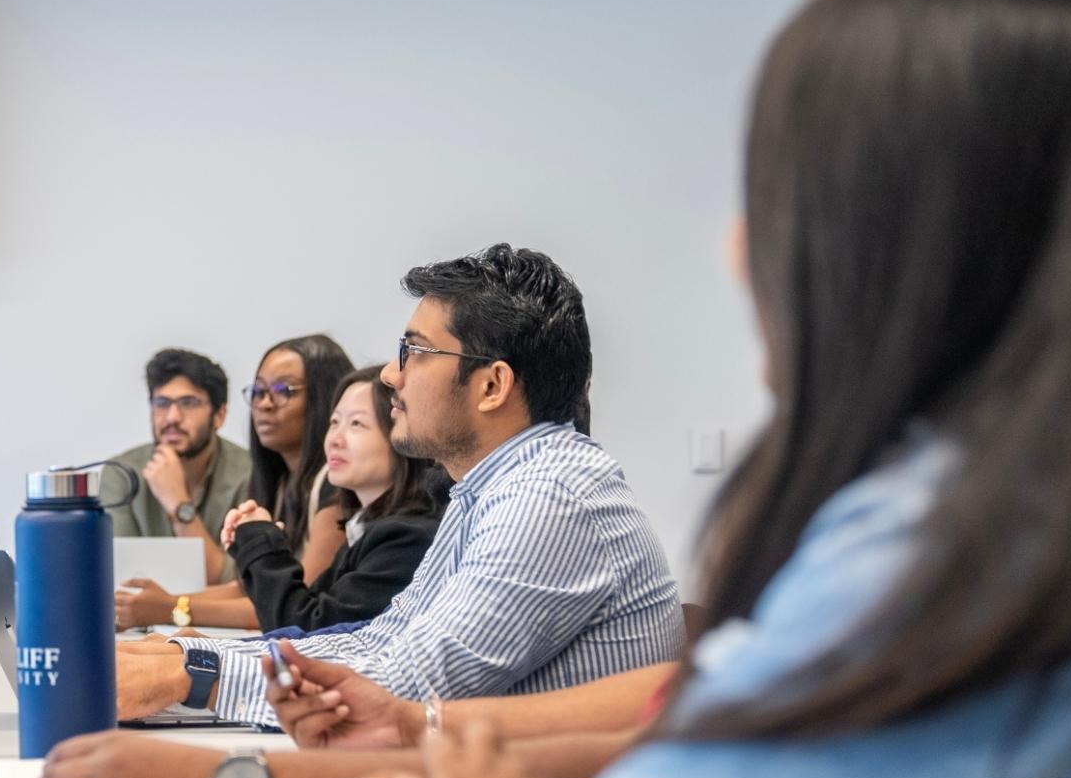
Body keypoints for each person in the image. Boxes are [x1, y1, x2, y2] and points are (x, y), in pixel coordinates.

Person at [348, 0, 1071, 778]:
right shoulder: (989, 518)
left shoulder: (961, 559)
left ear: (897, 238)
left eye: (778, 195)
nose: (739, 249)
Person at [112, 245, 685, 725]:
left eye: (414, 351)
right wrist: (184, 651)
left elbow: (405, 689)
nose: (391, 374)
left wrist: (192, 674)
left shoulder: (549, 496)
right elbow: (382, 639)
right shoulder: (488, 490)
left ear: (491, 386)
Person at [116, 335, 352, 630]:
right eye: (258, 391)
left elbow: (293, 605)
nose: (264, 404)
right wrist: (157, 603)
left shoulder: (335, 482)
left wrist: (170, 607)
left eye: (283, 390)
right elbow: (248, 586)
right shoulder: (278, 481)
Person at [227, 366, 449, 633]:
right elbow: (303, 613)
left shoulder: (408, 535)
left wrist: (261, 546)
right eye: (334, 422)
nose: (335, 439)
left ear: (404, 436)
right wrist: (251, 549)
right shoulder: (368, 527)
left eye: (357, 424)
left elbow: (308, 630)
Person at [99, 348, 252, 589]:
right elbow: (118, 575)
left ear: (219, 415)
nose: (172, 417)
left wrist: (179, 504)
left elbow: (235, 583)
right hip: (136, 624)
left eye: (188, 403)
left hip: (224, 624)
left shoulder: (250, 472)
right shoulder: (122, 473)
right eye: (162, 403)